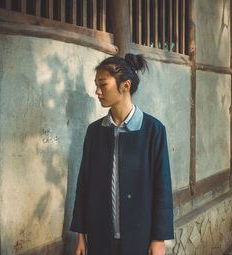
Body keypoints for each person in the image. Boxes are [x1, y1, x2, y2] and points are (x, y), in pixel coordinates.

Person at [70, 54, 174, 255]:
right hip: (100, 235)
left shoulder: (153, 130)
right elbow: (83, 185)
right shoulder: (94, 132)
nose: (98, 92)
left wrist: (158, 239)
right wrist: (80, 235)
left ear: (125, 86)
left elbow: (162, 187)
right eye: (96, 85)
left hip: (139, 236)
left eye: (103, 84)